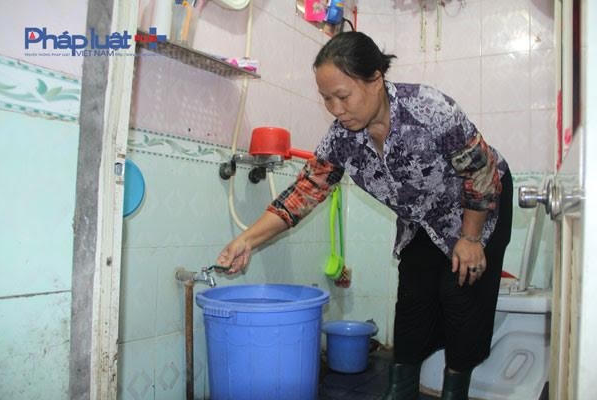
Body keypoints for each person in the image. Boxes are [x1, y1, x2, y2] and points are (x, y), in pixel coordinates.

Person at [216, 31, 512, 400]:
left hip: (478, 204)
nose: (336, 109)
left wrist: (470, 238)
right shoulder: (341, 138)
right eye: (327, 99)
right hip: (421, 219)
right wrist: (245, 240)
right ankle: (399, 391)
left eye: (343, 96)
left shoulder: (430, 109)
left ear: (375, 78)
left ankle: (455, 391)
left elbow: (481, 171)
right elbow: (304, 192)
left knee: (460, 295)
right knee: (413, 299)